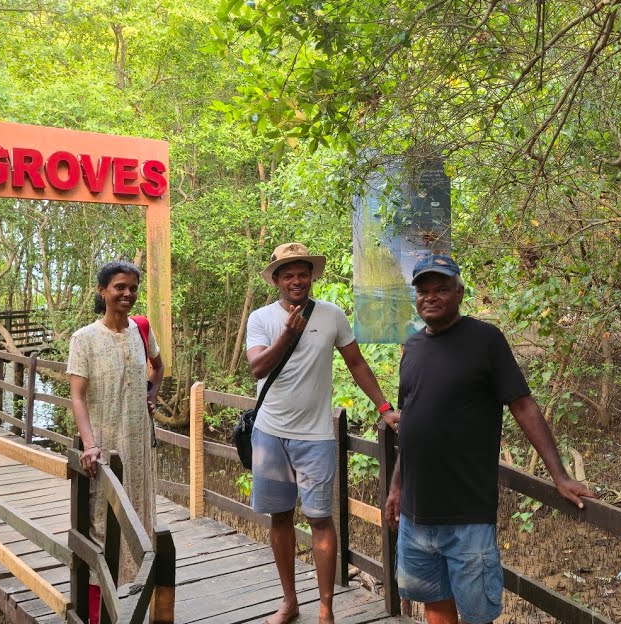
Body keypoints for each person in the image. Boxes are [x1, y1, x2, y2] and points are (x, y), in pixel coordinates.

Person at [384, 253, 595, 624]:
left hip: (467, 514)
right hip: (417, 515)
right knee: (433, 602)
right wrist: (397, 486)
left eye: (441, 289)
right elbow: (411, 422)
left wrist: (559, 476)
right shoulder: (413, 347)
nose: (430, 297)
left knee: (478, 615)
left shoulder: (485, 340)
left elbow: (524, 406)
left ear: (460, 292)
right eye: (423, 290)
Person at [246, 242, 400, 624]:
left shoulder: (332, 315)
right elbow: (257, 369)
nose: (296, 280)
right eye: (288, 274)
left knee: (320, 519)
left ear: (311, 276)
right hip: (270, 434)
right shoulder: (261, 318)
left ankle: (326, 608)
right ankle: (289, 602)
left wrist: (385, 408)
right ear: (277, 280)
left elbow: (357, 363)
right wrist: (287, 334)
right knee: (280, 517)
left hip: (315, 436)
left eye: (303, 273)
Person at [66, 261, 164, 621]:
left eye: (133, 288)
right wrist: (90, 445)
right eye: (120, 287)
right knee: (99, 524)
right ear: (102, 291)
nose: (127, 294)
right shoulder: (84, 338)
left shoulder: (141, 329)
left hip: (137, 444)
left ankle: (135, 593)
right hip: (103, 445)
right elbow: (77, 396)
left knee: (138, 516)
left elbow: (158, 366)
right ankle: (96, 612)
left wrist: (151, 395)